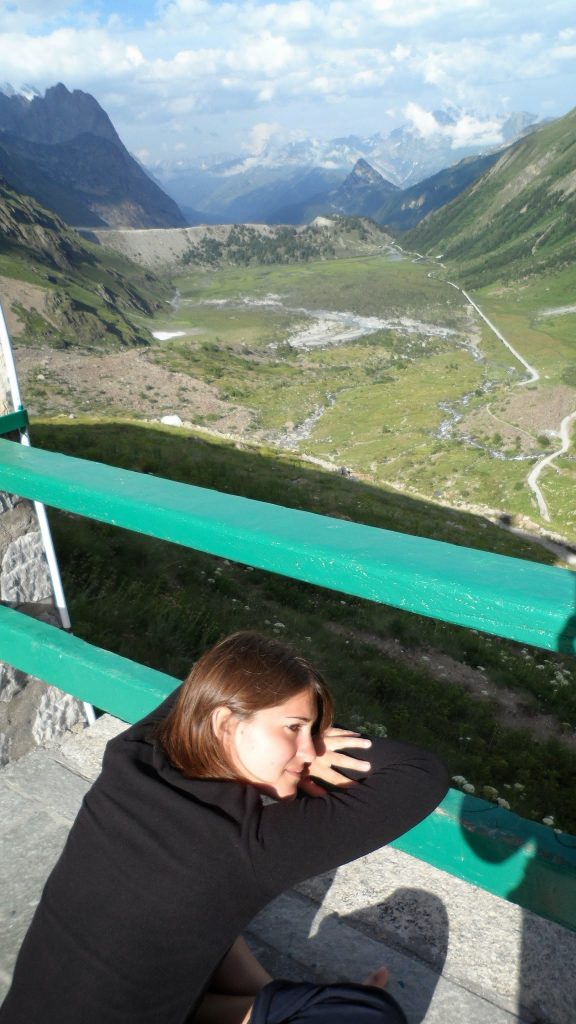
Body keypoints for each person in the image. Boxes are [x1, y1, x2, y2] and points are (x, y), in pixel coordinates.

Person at [0, 631, 448, 1024]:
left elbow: (202, 682)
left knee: (193, 904)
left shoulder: (133, 754)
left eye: (313, 734)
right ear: (224, 724)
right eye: (294, 728)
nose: (311, 752)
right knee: (369, 1013)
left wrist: (293, 732)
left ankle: (262, 999)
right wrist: (326, 739)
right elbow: (423, 774)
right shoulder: (247, 844)